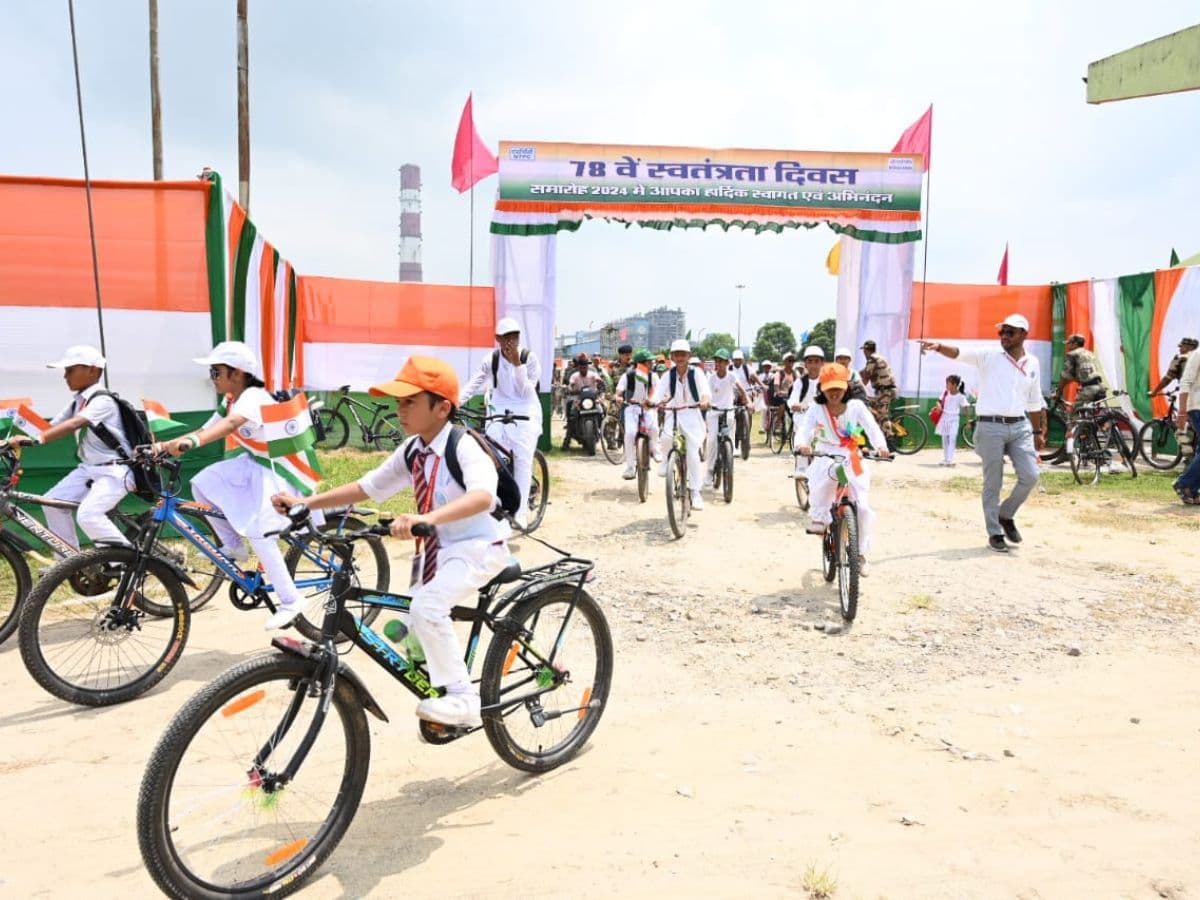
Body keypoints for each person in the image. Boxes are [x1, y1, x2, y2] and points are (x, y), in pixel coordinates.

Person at [274, 356, 510, 727]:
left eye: (409, 402)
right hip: (438, 551)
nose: (398, 410)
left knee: (427, 608)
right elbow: (368, 486)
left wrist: (426, 519)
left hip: (479, 548)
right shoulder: (414, 449)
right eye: (398, 402)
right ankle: (425, 654)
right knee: (411, 611)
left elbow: (483, 496)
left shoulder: (463, 445)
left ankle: (463, 699)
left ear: (442, 408)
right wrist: (307, 502)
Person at [164, 341, 308, 628]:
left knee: (261, 532)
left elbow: (231, 425)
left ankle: (292, 601)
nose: (212, 378)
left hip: (281, 469)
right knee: (203, 484)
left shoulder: (253, 396)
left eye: (216, 372)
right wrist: (161, 446)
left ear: (238, 373)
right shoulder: (231, 398)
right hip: (255, 462)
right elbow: (207, 429)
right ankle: (233, 546)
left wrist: (190, 442)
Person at [920, 314, 1048, 553]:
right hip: (990, 426)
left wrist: (1037, 430)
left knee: (1030, 476)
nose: (1004, 337)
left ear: (1023, 335)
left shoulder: (1033, 363)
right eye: (1002, 332)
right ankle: (995, 532)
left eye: (1010, 332)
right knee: (993, 482)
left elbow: (1033, 400)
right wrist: (937, 347)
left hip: (1020, 426)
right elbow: (959, 352)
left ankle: (1006, 514)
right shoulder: (989, 356)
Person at [9, 344, 134, 552]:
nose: (65, 376)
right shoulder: (79, 401)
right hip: (90, 468)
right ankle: (69, 562)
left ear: (93, 370)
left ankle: (125, 565)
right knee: (52, 503)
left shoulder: (103, 400)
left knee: (89, 515)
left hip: (115, 470)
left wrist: (37, 440)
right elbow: (49, 428)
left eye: (70, 370)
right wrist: (14, 439)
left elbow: (74, 424)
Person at [795, 363, 891, 576]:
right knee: (824, 482)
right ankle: (820, 517)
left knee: (863, 508)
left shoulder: (856, 406)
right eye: (829, 388)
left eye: (838, 387)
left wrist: (881, 447)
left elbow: (872, 428)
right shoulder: (816, 408)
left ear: (846, 386)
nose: (834, 393)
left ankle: (861, 554)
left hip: (851, 454)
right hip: (825, 455)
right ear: (822, 388)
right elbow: (804, 429)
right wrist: (802, 444)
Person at [459, 316, 542, 529]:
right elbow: (475, 382)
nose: (509, 342)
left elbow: (526, 391)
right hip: (498, 410)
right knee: (491, 460)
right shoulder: (491, 359)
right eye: (505, 338)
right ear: (497, 338)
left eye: (513, 337)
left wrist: (517, 363)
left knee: (522, 462)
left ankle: (521, 513)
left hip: (525, 411)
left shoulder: (528, 358)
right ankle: (494, 506)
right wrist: (455, 401)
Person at [652, 338, 712, 510]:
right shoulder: (668, 375)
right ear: (672, 356)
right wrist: (651, 402)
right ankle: (665, 463)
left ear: (688, 356)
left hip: (692, 414)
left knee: (693, 453)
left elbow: (705, 392)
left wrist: (705, 401)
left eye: (683, 354)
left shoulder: (696, 373)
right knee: (665, 439)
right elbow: (658, 394)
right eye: (676, 354)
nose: (679, 357)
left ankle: (695, 492)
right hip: (673, 412)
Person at [703, 349, 750, 489]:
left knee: (730, 424)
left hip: (728, 410)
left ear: (727, 363)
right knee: (711, 440)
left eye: (721, 361)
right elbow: (705, 393)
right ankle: (710, 471)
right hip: (714, 411)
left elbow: (741, 389)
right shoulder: (711, 378)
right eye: (716, 361)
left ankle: (730, 455)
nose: (718, 364)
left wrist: (748, 400)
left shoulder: (731, 376)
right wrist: (706, 403)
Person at [613, 349, 660, 479]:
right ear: (641, 364)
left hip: (649, 408)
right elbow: (619, 390)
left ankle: (655, 450)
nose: (652, 364)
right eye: (649, 362)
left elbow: (659, 391)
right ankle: (630, 467)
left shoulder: (653, 376)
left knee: (654, 429)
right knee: (629, 434)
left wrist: (656, 401)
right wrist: (618, 397)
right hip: (632, 408)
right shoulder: (628, 375)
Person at [787, 346, 826, 480]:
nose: (814, 365)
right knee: (803, 434)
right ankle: (801, 467)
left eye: (817, 361)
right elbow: (793, 398)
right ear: (806, 364)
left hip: (823, 418)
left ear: (822, 363)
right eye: (810, 361)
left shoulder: (827, 380)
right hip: (803, 416)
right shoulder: (800, 382)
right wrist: (794, 404)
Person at [1172, 346, 1200, 504]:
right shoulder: (1198, 354)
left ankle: (1191, 489)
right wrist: (1182, 411)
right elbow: (1186, 381)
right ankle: (1184, 483)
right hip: (1197, 406)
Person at [562, 353, 603, 450]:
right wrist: (569, 389)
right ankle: (567, 441)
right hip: (578, 399)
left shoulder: (593, 374)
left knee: (601, 411)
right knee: (572, 416)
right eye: (581, 367)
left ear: (587, 366)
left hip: (592, 399)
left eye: (585, 367)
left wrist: (601, 386)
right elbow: (570, 384)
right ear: (578, 367)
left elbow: (600, 380)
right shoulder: (574, 375)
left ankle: (602, 430)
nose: (583, 369)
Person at [859, 340, 897, 441]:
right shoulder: (877, 357)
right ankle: (879, 437)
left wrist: (858, 387)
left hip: (884, 391)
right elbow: (864, 371)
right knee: (875, 411)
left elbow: (866, 375)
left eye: (864, 350)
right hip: (885, 390)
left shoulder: (872, 359)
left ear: (866, 350)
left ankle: (889, 440)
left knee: (882, 415)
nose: (864, 353)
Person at [1056, 334, 1106, 405]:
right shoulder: (1089, 354)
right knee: (1093, 413)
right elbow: (1083, 374)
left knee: (1075, 414)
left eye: (1068, 343)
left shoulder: (1072, 354)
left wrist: (1058, 391)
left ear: (1075, 344)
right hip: (1100, 387)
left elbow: (1065, 376)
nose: (1067, 346)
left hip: (1089, 390)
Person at [934, 375, 970, 466]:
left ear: (954, 384)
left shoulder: (961, 396)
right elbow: (938, 400)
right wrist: (938, 405)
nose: (946, 385)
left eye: (948, 383)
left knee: (952, 437)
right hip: (944, 418)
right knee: (945, 439)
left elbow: (966, 408)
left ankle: (950, 459)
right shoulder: (945, 392)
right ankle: (946, 459)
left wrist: (968, 422)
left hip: (954, 419)